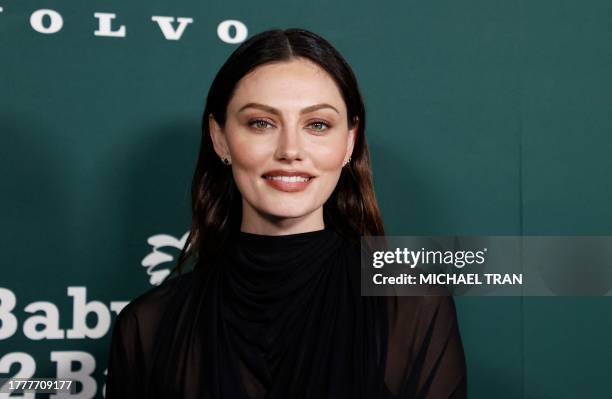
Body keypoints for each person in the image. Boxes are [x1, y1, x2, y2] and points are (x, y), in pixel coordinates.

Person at [104, 28, 467, 399]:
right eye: (261, 123)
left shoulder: (410, 304)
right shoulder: (149, 325)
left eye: (317, 125)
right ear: (220, 138)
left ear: (349, 142)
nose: (290, 150)